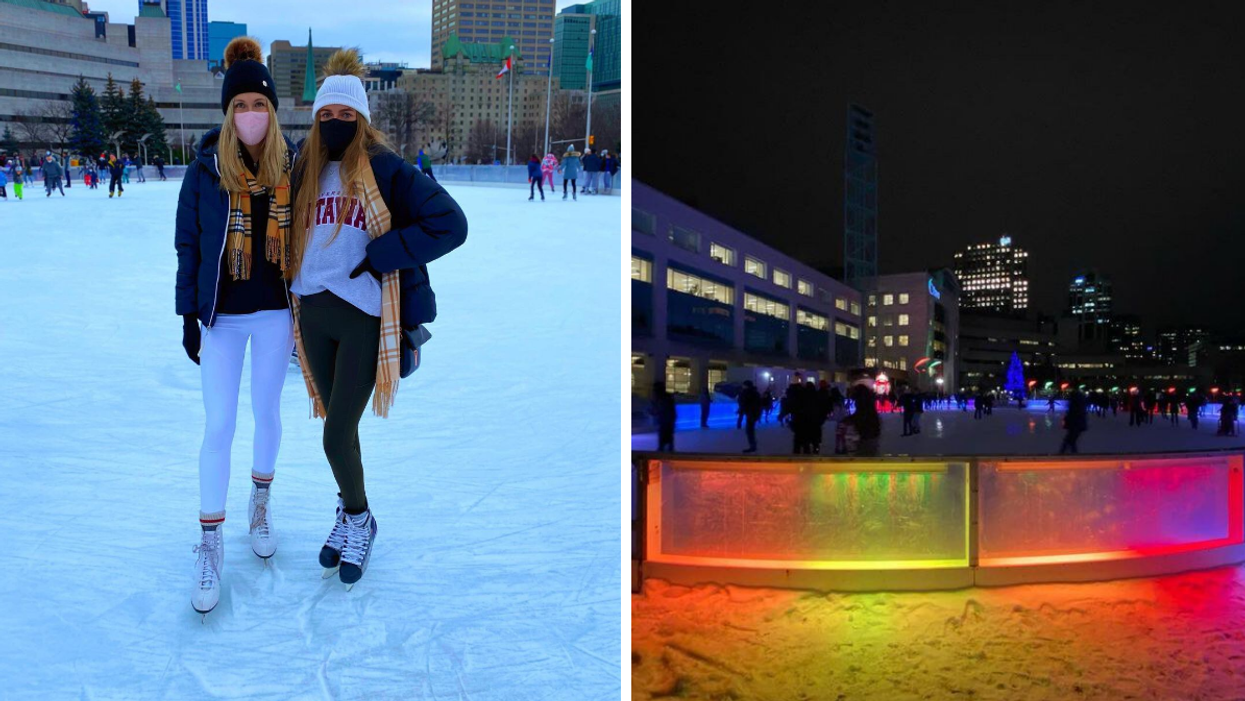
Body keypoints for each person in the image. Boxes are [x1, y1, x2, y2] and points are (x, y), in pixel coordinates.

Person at [288, 49, 468, 590]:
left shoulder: (386, 168)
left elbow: (450, 224)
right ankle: (349, 512)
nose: (337, 124)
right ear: (317, 118)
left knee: (337, 434)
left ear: (361, 120)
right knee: (337, 429)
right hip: (312, 311)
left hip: (365, 315)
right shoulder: (304, 168)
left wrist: (385, 254)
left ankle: (361, 519)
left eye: (347, 116)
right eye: (327, 115)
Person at [175, 37, 298, 616]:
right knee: (218, 423)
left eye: (259, 103)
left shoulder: (293, 166)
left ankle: (261, 502)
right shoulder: (204, 169)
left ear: (272, 111)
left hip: (274, 313)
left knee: (267, 413)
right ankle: (210, 540)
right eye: (241, 103)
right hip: (221, 317)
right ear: (228, 112)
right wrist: (187, 315)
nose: (250, 113)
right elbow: (189, 246)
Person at [651, 382, 676, 452]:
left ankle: (663, 448)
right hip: (667, 419)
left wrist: (654, 412)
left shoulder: (661, 398)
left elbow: (661, 408)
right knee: (668, 435)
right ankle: (668, 448)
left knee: (664, 434)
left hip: (666, 419)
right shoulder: (666, 397)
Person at [739, 380, 762, 453]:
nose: (742, 386)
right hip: (753, 413)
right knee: (750, 430)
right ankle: (753, 445)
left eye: (743, 385)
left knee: (749, 430)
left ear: (746, 386)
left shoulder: (747, 393)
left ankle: (753, 446)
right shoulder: (755, 393)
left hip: (751, 413)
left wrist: (742, 409)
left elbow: (745, 403)